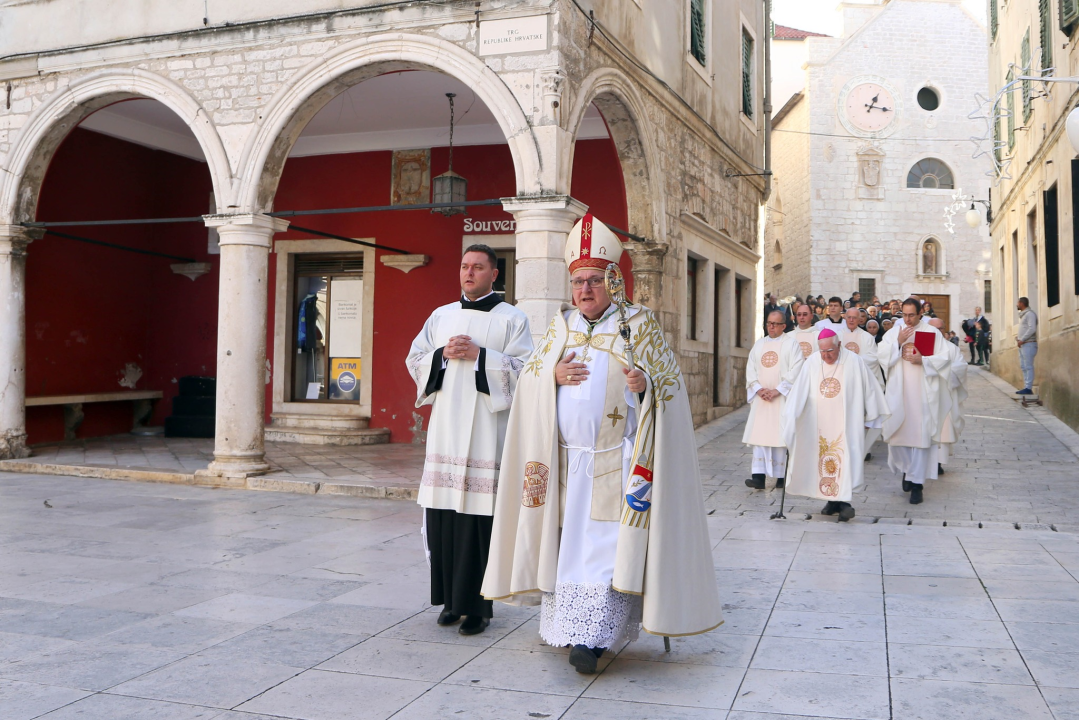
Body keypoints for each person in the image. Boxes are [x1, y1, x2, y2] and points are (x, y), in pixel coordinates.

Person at [482, 214, 722, 675]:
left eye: (594, 280)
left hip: (618, 464)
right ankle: (570, 627)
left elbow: (670, 386)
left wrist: (646, 384)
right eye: (578, 282)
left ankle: (591, 638)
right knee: (568, 548)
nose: (585, 290)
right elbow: (529, 380)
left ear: (613, 281)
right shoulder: (561, 326)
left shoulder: (639, 325)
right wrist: (549, 376)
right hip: (565, 465)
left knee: (602, 548)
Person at [407, 245, 534, 636]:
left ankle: (478, 608)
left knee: (478, 523)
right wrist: (441, 355)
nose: (469, 273)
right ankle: (449, 601)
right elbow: (415, 359)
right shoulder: (440, 315)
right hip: (445, 432)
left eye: (478, 267)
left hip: (486, 434)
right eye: (464, 266)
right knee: (443, 518)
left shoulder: (513, 318)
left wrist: (481, 356)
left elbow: (526, 370)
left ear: (494, 274)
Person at [781, 330, 888, 521]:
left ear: (839, 345)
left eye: (830, 351)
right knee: (821, 460)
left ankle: (844, 503)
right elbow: (800, 390)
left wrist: (871, 416)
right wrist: (792, 415)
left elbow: (870, 389)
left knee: (845, 459)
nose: (826, 356)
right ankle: (833, 501)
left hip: (847, 423)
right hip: (817, 423)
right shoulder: (813, 362)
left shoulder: (854, 361)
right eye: (822, 351)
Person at [879, 298, 952, 505]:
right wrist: (898, 343)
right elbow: (881, 356)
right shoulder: (894, 332)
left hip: (923, 394)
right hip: (899, 393)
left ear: (921, 313)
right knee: (898, 436)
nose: (908, 319)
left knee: (921, 438)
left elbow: (945, 359)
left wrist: (924, 361)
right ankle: (907, 470)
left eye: (912, 315)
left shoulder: (931, 332)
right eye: (905, 315)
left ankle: (917, 484)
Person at [742, 310, 801, 490]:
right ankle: (758, 477)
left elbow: (797, 369)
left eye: (775, 324)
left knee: (780, 437)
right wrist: (758, 389)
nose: (771, 327)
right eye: (769, 323)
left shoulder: (791, 344)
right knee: (759, 436)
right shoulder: (759, 344)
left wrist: (778, 390)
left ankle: (781, 476)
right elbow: (751, 369)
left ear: (784, 326)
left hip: (781, 399)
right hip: (762, 400)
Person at [840, 308, 883, 460]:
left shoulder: (867, 337)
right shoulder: (837, 335)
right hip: (841, 381)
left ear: (860, 320)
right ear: (845, 318)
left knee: (859, 416)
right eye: (849, 317)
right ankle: (843, 447)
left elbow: (873, 358)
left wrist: (852, 361)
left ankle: (862, 449)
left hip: (859, 382)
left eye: (854, 318)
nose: (851, 320)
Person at [927, 318, 966, 473]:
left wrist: (939, 372)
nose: (937, 332)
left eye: (940, 329)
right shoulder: (920, 346)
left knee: (944, 428)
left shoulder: (952, 349)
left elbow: (960, 368)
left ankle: (938, 462)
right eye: (934, 329)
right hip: (924, 396)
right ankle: (922, 461)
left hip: (945, 396)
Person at [1016, 297, 1038, 395]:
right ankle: (1026, 386)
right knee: (1023, 366)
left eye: (1018, 303)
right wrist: (1019, 338)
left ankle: (1028, 388)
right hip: (1023, 345)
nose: (1017, 305)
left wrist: (1023, 339)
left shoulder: (1030, 314)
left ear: (1021, 303)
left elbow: (1032, 328)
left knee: (1028, 366)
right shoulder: (1024, 315)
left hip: (1029, 344)